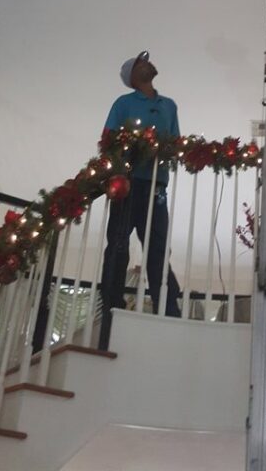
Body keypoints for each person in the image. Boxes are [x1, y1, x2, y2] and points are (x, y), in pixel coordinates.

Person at [99, 51, 181, 346]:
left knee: (159, 249)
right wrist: (125, 159)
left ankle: (168, 307)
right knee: (118, 245)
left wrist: (166, 149)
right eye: (141, 62)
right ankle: (111, 303)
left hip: (157, 187)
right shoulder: (123, 104)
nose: (148, 62)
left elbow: (174, 143)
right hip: (128, 184)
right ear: (134, 76)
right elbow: (108, 141)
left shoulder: (169, 106)